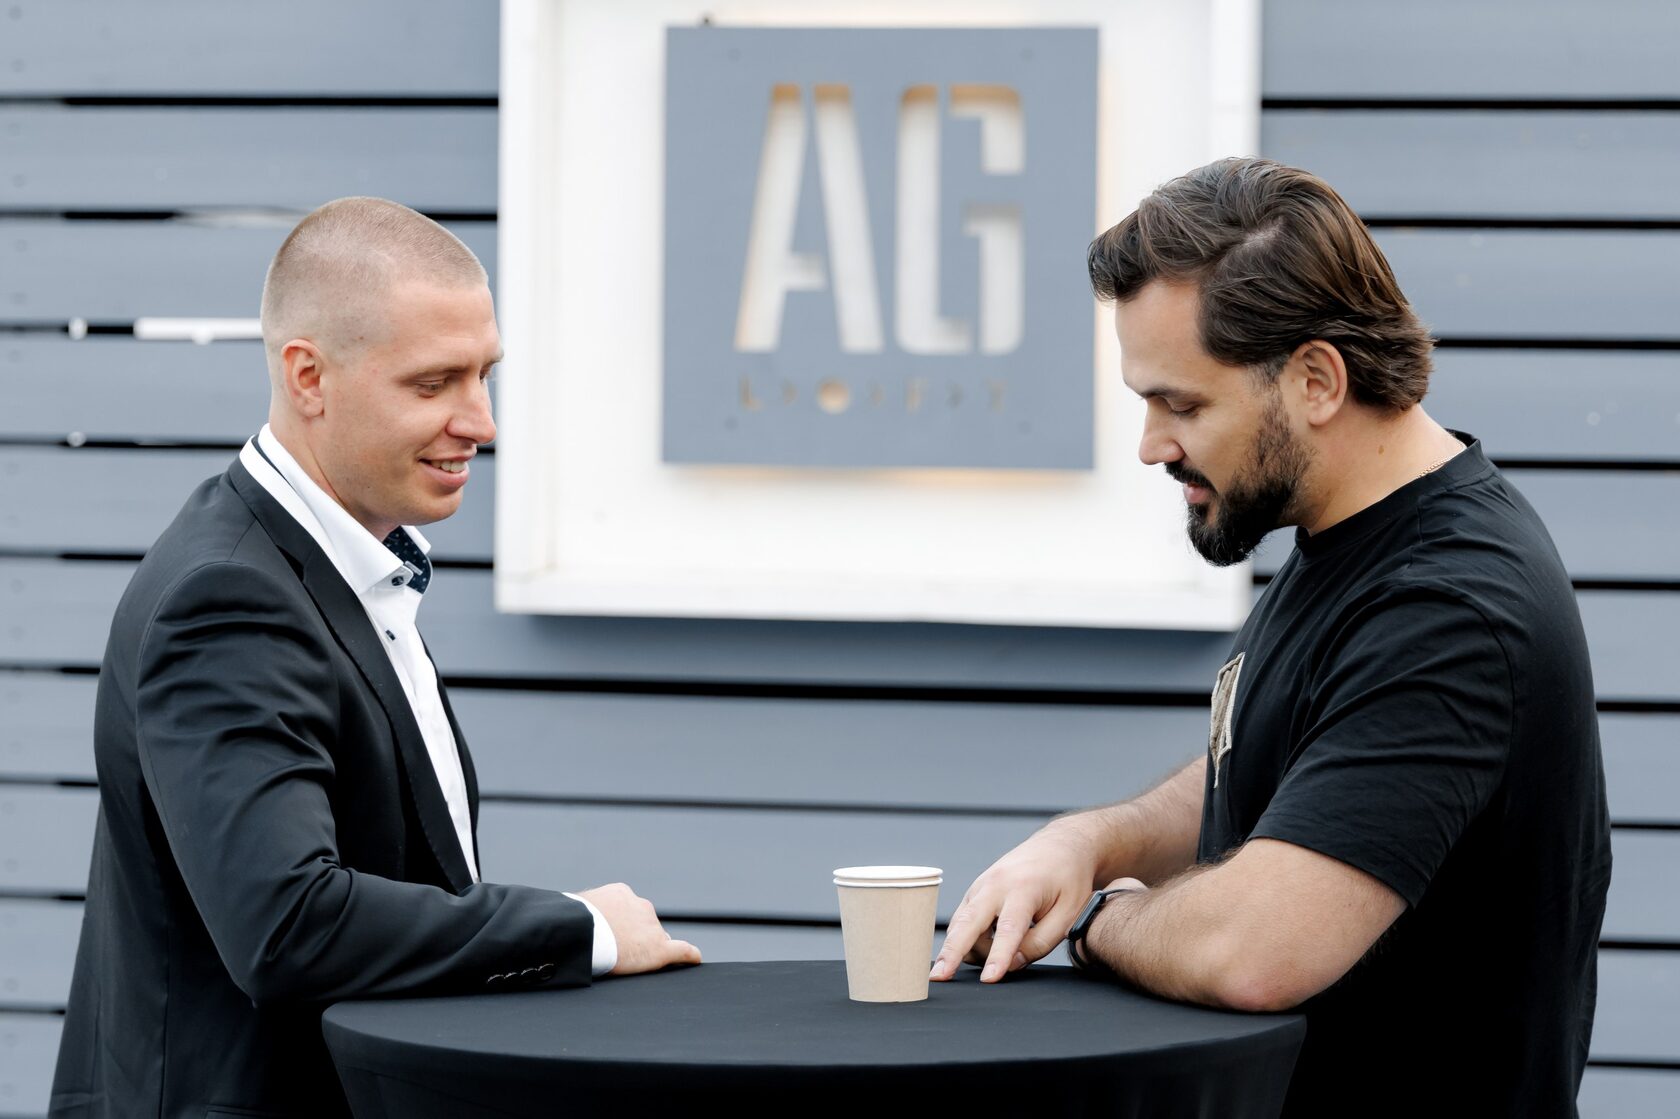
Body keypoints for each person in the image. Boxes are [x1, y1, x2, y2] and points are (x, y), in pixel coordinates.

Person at [929, 158, 1611, 1117]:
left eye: (1184, 404)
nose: (1153, 445)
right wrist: (1092, 840)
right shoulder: (1351, 534)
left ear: (1316, 380)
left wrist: (1104, 920)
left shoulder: (1450, 605)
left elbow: (1256, 949)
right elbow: (1294, 764)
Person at [50, 197, 701, 1118]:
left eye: (485, 375)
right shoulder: (227, 599)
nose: (481, 421)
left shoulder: (334, 563)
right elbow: (287, 924)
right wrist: (582, 928)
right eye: (434, 384)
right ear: (308, 377)